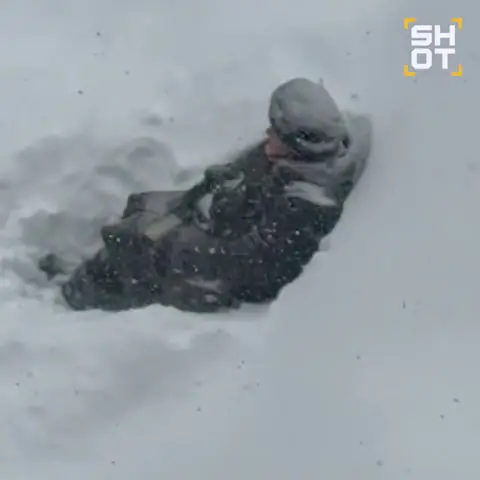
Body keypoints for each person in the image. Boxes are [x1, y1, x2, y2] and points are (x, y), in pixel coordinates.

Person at [43, 77, 372, 313]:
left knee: (138, 243)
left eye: (276, 133)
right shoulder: (307, 156)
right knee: (144, 205)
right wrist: (222, 185)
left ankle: (82, 295)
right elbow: (251, 169)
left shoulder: (304, 203)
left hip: (225, 273)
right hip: (227, 223)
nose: (268, 134)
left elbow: (254, 265)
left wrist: (177, 246)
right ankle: (98, 266)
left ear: (295, 145)